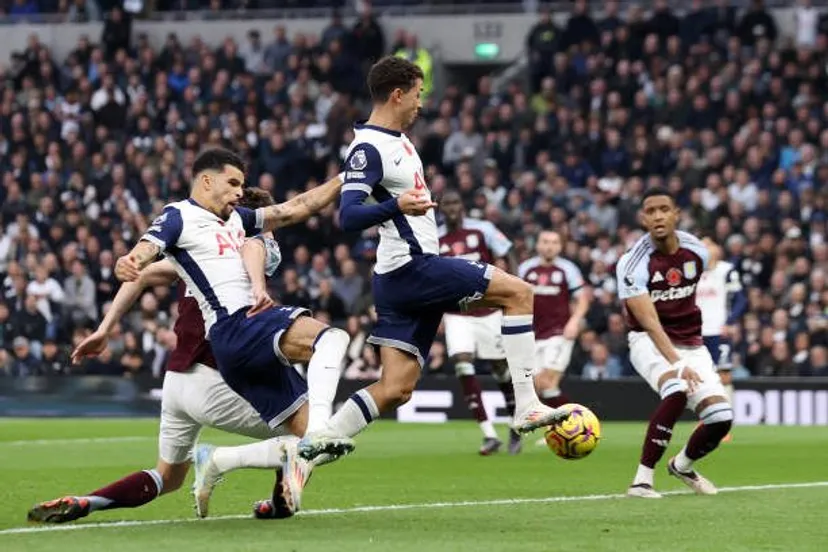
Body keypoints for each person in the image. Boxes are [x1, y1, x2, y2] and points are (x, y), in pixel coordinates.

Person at [299, 56, 569, 463]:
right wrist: (399, 206)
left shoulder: (399, 141)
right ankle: (527, 404)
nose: (421, 103)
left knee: (394, 389)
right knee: (519, 293)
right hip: (413, 268)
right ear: (397, 94)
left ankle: (303, 458)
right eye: (418, 94)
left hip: (399, 277)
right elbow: (348, 215)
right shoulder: (369, 149)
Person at [27, 187, 341, 523]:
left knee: (167, 477)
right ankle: (249, 480)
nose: (273, 238)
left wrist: (105, 327)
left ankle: (89, 501)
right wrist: (259, 283)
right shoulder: (247, 245)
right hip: (211, 376)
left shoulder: (200, 255)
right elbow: (260, 242)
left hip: (177, 381)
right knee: (313, 434)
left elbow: (142, 274)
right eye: (271, 229)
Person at [114, 152, 353, 516]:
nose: (240, 192)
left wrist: (350, 175)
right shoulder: (180, 215)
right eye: (233, 183)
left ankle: (229, 465)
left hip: (242, 335)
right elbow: (149, 248)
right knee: (331, 339)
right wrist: (133, 259)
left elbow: (298, 207)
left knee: (308, 441)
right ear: (206, 181)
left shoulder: (238, 220)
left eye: (243, 185)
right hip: (236, 326)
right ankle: (317, 431)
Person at [616, 188, 733, 499]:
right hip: (648, 340)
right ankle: (642, 481)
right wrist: (678, 365)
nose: (657, 216)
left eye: (663, 209)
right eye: (650, 211)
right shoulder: (631, 264)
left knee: (721, 419)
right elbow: (650, 322)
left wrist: (686, 357)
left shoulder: (697, 251)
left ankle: (682, 465)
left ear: (676, 214)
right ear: (643, 219)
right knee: (677, 389)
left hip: (692, 343)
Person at [437, 189, 520, 456]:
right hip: (456, 313)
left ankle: (515, 423)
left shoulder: (483, 229)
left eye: (455, 201)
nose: (452, 207)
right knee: (462, 363)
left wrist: (514, 293)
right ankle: (488, 434)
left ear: (462, 205)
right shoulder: (434, 237)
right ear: (440, 208)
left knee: (499, 368)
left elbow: (508, 253)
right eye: (447, 202)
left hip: (488, 310)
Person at [518, 231, 592, 409]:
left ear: (560, 247)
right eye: (545, 242)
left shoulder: (568, 269)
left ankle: (579, 423)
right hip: (532, 334)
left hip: (559, 333)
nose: (549, 246)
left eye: (554, 242)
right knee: (542, 388)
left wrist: (574, 322)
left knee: (546, 382)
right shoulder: (525, 269)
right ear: (537, 245)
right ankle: (565, 429)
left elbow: (583, 298)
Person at [696, 236, 746, 442]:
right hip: (697, 332)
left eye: (709, 244)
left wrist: (730, 321)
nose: (706, 248)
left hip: (719, 330)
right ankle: (706, 420)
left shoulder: (726, 271)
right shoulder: (693, 272)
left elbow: (741, 299)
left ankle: (725, 424)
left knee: (724, 375)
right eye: (702, 245)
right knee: (701, 377)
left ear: (718, 249)